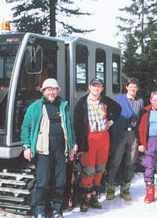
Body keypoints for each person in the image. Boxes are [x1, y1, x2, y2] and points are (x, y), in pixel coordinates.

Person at [21, 78, 78, 218]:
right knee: (43, 181)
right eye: (48, 89)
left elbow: (69, 128)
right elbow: (25, 127)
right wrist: (26, 146)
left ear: (57, 91)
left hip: (60, 149)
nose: (51, 92)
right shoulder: (34, 107)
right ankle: (39, 210)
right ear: (43, 91)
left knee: (60, 181)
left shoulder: (63, 106)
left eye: (54, 89)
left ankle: (56, 210)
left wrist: (72, 145)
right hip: (43, 150)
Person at [74, 78, 121, 212]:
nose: (96, 89)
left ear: (102, 88)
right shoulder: (82, 103)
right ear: (89, 87)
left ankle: (95, 196)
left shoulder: (105, 100)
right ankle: (86, 197)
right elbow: (76, 124)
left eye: (99, 86)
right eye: (94, 86)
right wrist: (77, 143)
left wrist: (111, 121)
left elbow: (118, 109)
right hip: (89, 138)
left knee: (100, 169)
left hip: (104, 137)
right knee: (88, 169)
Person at [105, 77, 144, 201]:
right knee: (115, 160)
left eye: (135, 87)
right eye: (130, 86)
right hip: (120, 133)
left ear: (137, 88)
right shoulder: (120, 99)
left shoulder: (140, 101)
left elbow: (141, 119)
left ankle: (125, 188)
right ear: (126, 87)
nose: (133, 89)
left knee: (131, 161)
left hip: (133, 134)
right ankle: (110, 187)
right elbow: (114, 115)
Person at [136, 91, 157, 204]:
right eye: (155, 100)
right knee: (149, 167)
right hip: (149, 142)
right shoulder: (145, 112)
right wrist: (140, 143)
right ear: (151, 100)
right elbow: (139, 129)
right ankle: (150, 192)